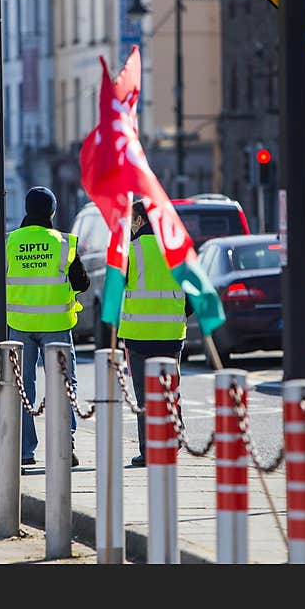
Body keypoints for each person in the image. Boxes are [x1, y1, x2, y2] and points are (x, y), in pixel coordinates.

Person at [6, 187, 90, 467]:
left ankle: (24, 451)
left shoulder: (9, 242)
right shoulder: (65, 243)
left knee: (21, 386)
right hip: (56, 325)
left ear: (26, 210)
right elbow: (82, 284)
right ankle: (64, 446)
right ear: (52, 211)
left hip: (19, 324)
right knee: (63, 384)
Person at [119, 199, 190, 467]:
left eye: (132, 219)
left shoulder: (131, 250)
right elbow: (191, 294)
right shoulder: (176, 249)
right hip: (172, 332)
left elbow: (117, 288)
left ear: (140, 221)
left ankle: (149, 451)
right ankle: (175, 440)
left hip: (138, 334)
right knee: (171, 389)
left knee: (144, 395)